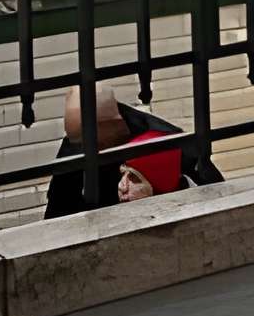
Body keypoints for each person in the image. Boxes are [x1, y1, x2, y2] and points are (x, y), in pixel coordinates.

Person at [42, 84, 223, 217]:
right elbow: (56, 215)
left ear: (113, 124)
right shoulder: (75, 147)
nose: (82, 149)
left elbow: (215, 195)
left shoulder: (163, 141)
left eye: (89, 142)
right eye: (75, 141)